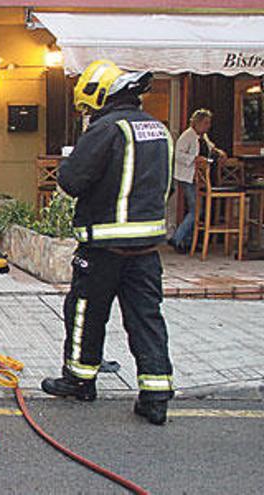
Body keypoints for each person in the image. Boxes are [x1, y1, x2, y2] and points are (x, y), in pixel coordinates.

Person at [40, 59, 176, 425]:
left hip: (104, 247)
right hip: (147, 250)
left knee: (85, 312)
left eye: (87, 107)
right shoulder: (160, 130)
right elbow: (169, 187)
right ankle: (156, 394)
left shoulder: (107, 130)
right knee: (146, 318)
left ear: (100, 97)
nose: (87, 114)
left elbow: (71, 180)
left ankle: (80, 381)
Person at [169, 108, 226, 254]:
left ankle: (188, 241)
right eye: (205, 123)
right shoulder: (187, 136)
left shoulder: (203, 136)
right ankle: (177, 238)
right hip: (188, 177)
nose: (208, 126)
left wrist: (217, 151)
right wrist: (194, 159)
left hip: (197, 177)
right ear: (197, 123)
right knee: (196, 210)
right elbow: (178, 155)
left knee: (198, 210)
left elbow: (209, 146)